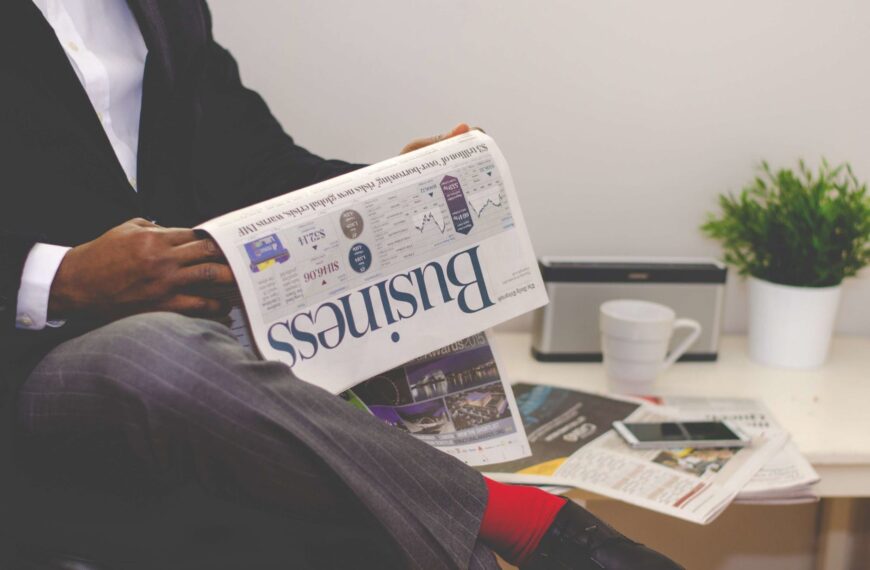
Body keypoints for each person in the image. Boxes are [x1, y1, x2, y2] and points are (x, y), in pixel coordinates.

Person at [0, 1, 683, 568]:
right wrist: (57, 281)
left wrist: (392, 186)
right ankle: (543, 527)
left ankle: (535, 535)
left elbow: (257, 169)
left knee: (399, 523)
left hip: (218, 371)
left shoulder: (165, 10)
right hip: (38, 367)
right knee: (154, 354)